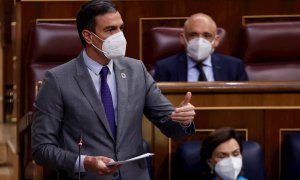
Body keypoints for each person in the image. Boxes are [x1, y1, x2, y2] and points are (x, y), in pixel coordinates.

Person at [31, 0, 196, 179]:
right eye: (110, 30)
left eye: (121, 28)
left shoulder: (137, 70)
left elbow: (169, 126)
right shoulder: (57, 80)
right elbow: (42, 149)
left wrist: (183, 120)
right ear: (88, 36)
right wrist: (85, 162)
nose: (119, 36)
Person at [153, 13, 249, 82]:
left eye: (206, 35)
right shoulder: (164, 68)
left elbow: (245, 101)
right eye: (193, 35)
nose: (199, 41)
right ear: (183, 39)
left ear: (216, 41)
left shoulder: (234, 67)